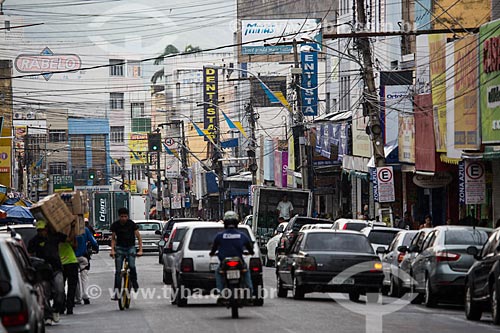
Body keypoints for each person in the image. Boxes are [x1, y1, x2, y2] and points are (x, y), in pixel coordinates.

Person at [28, 220, 66, 325]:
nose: (41, 232)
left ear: (47, 229)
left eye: (43, 230)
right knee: (44, 295)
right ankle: (48, 315)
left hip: (56, 269)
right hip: (42, 271)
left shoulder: (55, 237)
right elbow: (30, 254)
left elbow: (68, 238)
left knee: (60, 291)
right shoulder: (34, 241)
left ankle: (56, 309)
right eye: (39, 230)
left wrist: (71, 227)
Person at [209, 211, 254, 300]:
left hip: (224, 262)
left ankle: (220, 292)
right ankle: (250, 290)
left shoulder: (220, 236)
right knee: (246, 272)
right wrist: (251, 252)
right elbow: (249, 248)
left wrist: (212, 253)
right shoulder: (242, 235)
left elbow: (214, 248)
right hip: (239, 261)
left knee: (218, 272)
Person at [110, 207, 143, 300]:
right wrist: (112, 250)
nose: (123, 218)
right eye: (121, 216)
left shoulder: (131, 224)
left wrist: (140, 250)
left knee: (132, 266)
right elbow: (113, 238)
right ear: (119, 216)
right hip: (120, 248)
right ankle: (117, 293)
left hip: (130, 248)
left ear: (127, 216)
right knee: (118, 271)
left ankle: (134, 282)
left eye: (125, 216)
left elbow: (139, 237)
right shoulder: (115, 225)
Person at [74, 224, 99, 305]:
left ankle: (77, 298)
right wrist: (96, 248)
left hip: (71, 258)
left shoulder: (69, 230)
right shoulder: (85, 230)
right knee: (84, 276)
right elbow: (93, 242)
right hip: (83, 257)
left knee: (75, 278)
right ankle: (85, 295)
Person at [59, 227, 79, 315]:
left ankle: (65, 306)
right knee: (68, 287)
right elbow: (72, 242)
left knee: (62, 287)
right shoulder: (57, 236)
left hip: (68, 262)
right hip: (67, 263)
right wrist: (72, 228)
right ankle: (68, 306)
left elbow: (74, 244)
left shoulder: (53, 236)